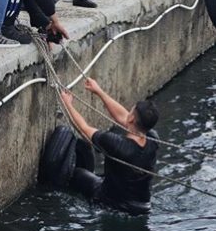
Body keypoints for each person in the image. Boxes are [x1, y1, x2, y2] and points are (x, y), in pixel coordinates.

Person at [61, 77, 160, 215]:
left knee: (77, 174)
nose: (128, 112)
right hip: (142, 207)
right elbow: (123, 117)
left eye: (130, 111)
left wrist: (67, 104)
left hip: (113, 205)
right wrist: (99, 92)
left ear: (132, 118)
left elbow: (83, 128)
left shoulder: (115, 143)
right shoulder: (153, 139)